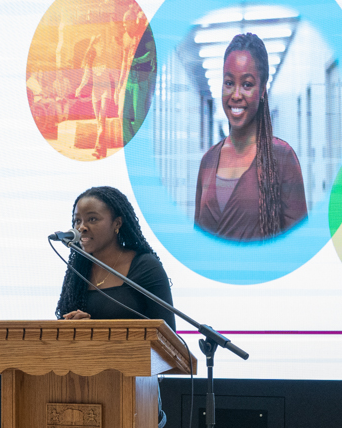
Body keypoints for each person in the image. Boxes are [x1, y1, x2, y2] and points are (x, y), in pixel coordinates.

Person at [194, 32, 307, 241]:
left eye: (247, 84)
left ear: (262, 90)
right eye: (229, 83)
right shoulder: (207, 162)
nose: (236, 95)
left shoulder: (282, 159)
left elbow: (298, 247)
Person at [55, 186, 175, 331]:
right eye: (77, 221)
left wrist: (95, 329)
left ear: (117, 223)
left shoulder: (145, 267)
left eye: (92, 219)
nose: (82, 227)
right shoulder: (78, 269)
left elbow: (169, 339)